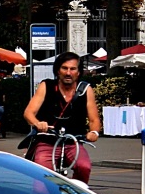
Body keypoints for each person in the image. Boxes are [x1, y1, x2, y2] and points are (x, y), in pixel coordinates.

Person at [22, 52, 102, 183]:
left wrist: (94, 132)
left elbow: (94, 119)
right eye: (64, 68)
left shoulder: (85, 89)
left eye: (73, 69)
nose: (68, 73)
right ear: (58, 70)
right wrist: (38, 123)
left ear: (79, 72)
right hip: (47, 141)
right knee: (43, 177)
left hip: (73, 142)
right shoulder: (46, 86)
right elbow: (28, 113)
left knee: (84, 166)